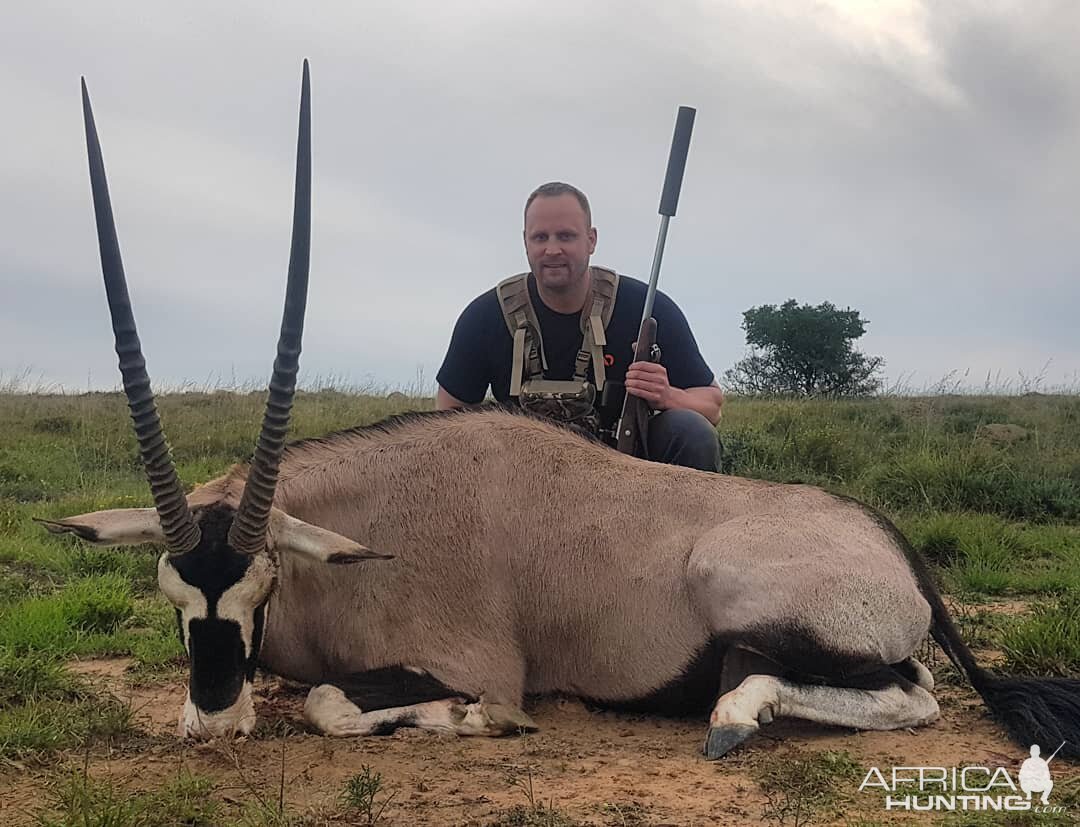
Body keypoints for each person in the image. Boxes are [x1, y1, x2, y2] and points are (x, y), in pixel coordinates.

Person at [436, 182, 723, 472]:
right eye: (540, 237)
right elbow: (446, 419)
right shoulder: (486, 316)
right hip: (517, 481)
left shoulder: (647, 308)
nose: (552, 249)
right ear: (525, 242)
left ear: (591, 240)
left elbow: (712, 405)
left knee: (691, 432)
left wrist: (668, 395)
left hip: (628, 478)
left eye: (566, 236)